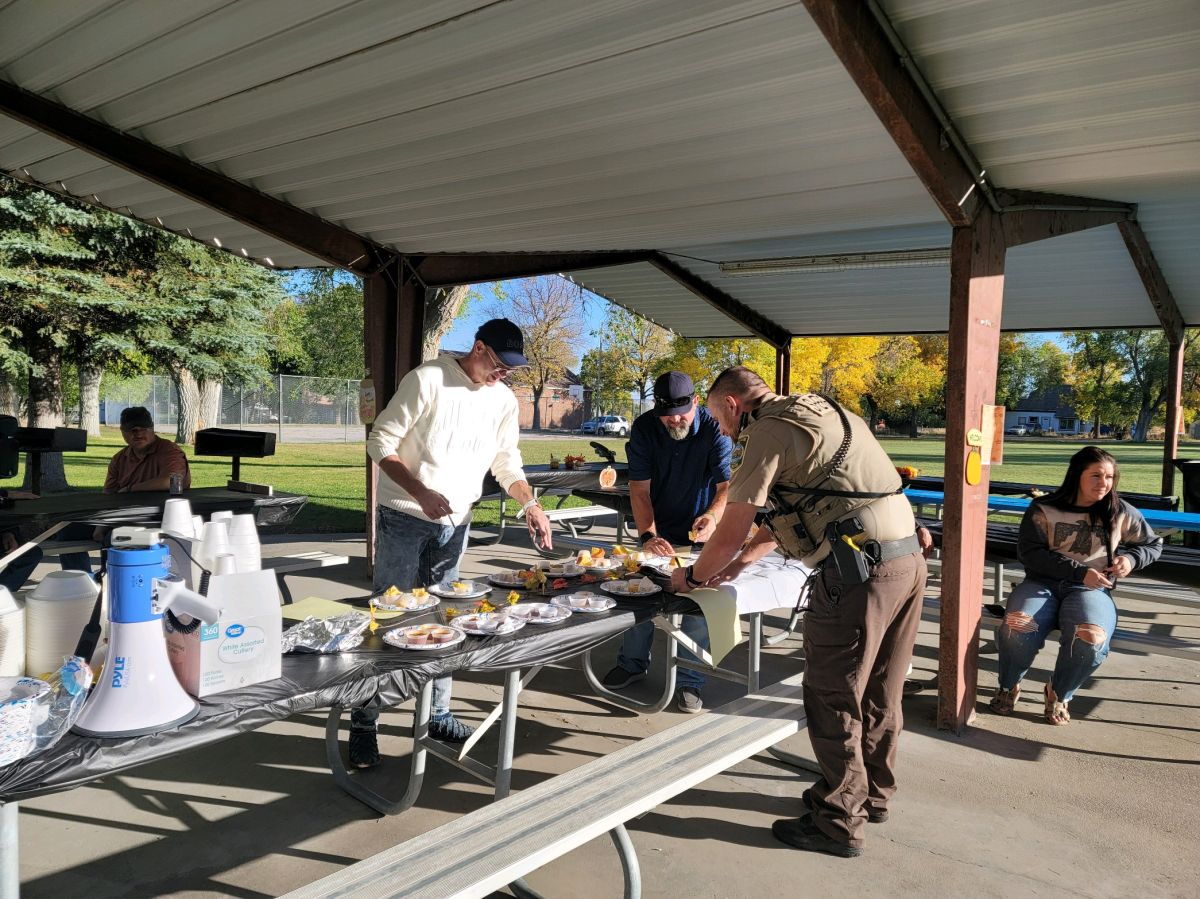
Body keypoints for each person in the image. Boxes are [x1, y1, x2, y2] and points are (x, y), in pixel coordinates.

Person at [670, 367, 928, 859]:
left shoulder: (765, 429)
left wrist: (696, 578)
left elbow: (731, 525)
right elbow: (804, 506)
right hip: (906, 560)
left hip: (861, 575)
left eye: (716, 417)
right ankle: (872, 794)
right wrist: (741, 564)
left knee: (832, 695)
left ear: (730, 403)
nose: (721, 430)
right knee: (880, 688)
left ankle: (837, 822)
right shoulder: (824, 410)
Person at [353, 318, 553, 768]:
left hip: (456, 521)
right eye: (499, 365)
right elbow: (379, 442)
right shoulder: (427, 379)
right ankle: (365, 720)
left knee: (448, 618)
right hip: (404, 517)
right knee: (390, 617)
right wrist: (418, 491)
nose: (503, 375)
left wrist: (531, 506)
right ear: (478, 348)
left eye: (511, 370)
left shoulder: (502, 399)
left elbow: (507, 461)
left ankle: (437, 713)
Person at [989, 446, 1161, 725]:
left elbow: (1152, 544)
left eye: (1109, 477)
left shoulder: (1119, 512)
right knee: (1016, 626)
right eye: (1095, 475)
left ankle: (1058, 692)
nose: (1103, 483)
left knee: (1091, 639)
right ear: (1076, 475)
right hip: (1041, 583)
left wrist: (1130, 559)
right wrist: (1080, 572)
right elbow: (1029, 553)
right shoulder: (1044, 508)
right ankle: (1009, 685)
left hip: (1090, 590)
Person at [601, 371, 731, 713]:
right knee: (640, 591)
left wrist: (713, 517)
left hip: (700, 529)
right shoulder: (645, 428)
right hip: (657, 527)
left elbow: (725, 488)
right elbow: (639, 490)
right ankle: (632, 663)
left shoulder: (716, 429)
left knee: (698, 602)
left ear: (696, 403)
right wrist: (648, 535)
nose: (674, 420)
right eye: (667, 414)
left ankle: (691, 680)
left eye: (681, 413)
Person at [103, 406, 191, 494]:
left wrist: (130, 489)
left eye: (144, 429)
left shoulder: (170, 451)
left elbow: (173, 483)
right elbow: (109, 493)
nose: (139, 434)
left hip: (165, 506)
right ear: (122, 431)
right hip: (126, 507)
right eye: (132, 430)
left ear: (152, 428)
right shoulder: (119, 459)